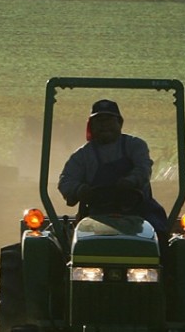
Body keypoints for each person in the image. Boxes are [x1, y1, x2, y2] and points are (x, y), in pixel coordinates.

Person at [58, 99, 169, 239]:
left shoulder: (135, 146)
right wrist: (81, 190)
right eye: (99, 121)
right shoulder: (82, 156)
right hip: (96, 215)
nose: (104, 125)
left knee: (160, 236)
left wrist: (130, 181)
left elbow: (143, 168)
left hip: (140, 212)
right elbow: (66, 181)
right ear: (91, 126)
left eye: (109, 120)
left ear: (120, 123)